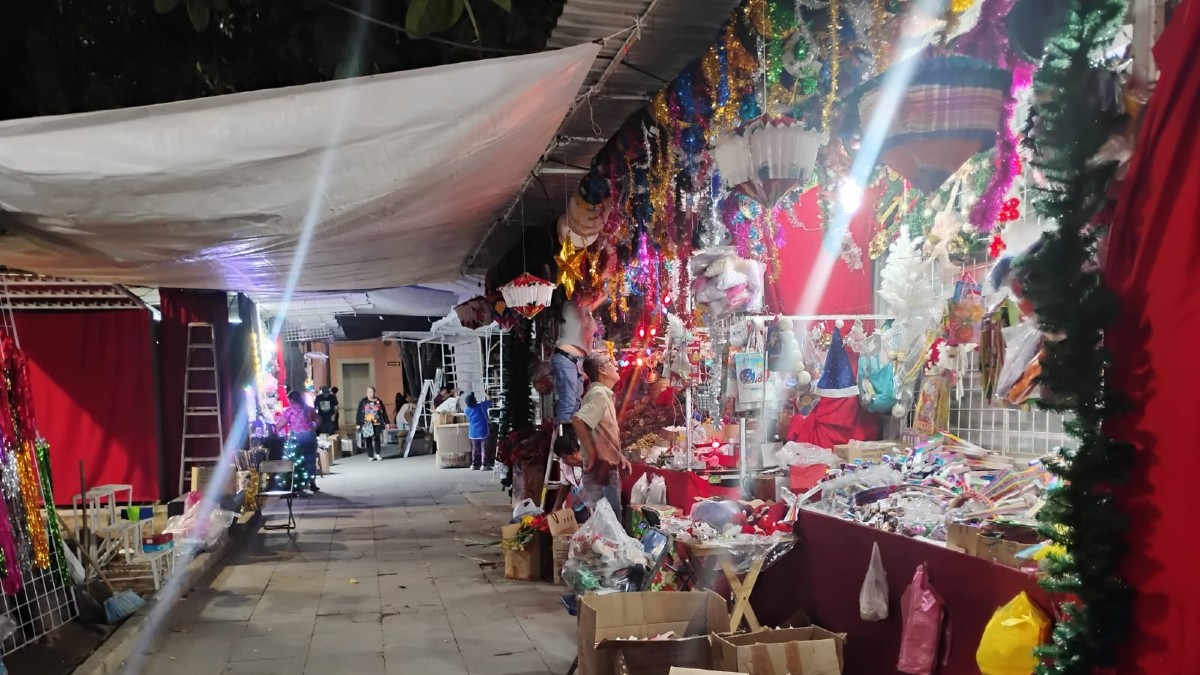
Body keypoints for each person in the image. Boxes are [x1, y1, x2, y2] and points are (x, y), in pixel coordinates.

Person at [571, 352, 630, 521]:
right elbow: (578, 420)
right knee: (608, 526)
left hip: (605, 467)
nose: (616, 365)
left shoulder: (604, 394)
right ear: (602, 370)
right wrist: (593, 454)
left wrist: (619, 457)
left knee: (608, 525)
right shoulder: (599, 394)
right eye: (611, 362)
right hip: (601, 470)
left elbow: (603, 434)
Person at [279, 390, 320, 493]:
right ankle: (312, 483)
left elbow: (280, 425)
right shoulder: (308, 409)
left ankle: (300, 485)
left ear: (291, 400)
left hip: (296, 437)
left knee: (297, 461)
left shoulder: (290, 411)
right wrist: (314, 427)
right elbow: (319, 419)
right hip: (309, 435)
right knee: (310, 460)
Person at [551, 431, 585, 515]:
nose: (563, 461)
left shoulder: (592, 462)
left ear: (574, 452)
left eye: (565, 458)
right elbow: (565, 485)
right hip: (580, 508)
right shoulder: (567, 466)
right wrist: (555, 509)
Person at [355, 386, 389, 461]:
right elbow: (359, 412)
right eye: (368, 392)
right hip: (366, 423)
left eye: (371, 392)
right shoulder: (363, 401)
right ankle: (370, 455)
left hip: (376, 422)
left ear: (374, 392)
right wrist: (358, 423)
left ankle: (377, 454)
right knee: (368, 439)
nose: (369, 393)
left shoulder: (378, 401)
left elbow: (383, 412)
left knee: (377, 438)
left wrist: (386, 422)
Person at [463, 392, 494, 471]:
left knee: (475, 449)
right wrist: (485, 393)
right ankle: (484, 465)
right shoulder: (481, 406)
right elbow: (490, 401)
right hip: (483, 430)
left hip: (473, 431)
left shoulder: (466, 410)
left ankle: (474, 464)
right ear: (474, 400)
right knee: (484, 448)